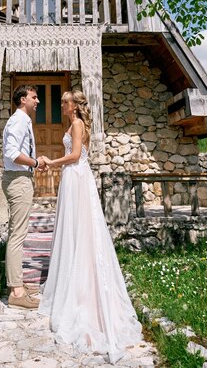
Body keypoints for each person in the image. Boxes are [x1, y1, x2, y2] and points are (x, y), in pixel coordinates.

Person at [38, 90, 142, 362]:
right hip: (77, 177)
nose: (62, 104)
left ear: (74, 105)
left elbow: (73, 156)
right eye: (61, 101)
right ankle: (77, 278)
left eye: (64, 101)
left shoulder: (76, 124)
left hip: (75, 175)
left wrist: (52, 162)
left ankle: (81, 293)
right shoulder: (77, 124)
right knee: (79, 230)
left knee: (79, 229)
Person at [2, 84, 48, 309]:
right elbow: (12, 153)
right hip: (18, 179)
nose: (37, 101)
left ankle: (18, 284)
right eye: (34, 97)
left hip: (20, 178)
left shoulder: (22, 120)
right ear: (23, 100)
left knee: (18, 232)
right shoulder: (19, 121)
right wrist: (36, 162)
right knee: (18, 234)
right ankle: (16, 292)